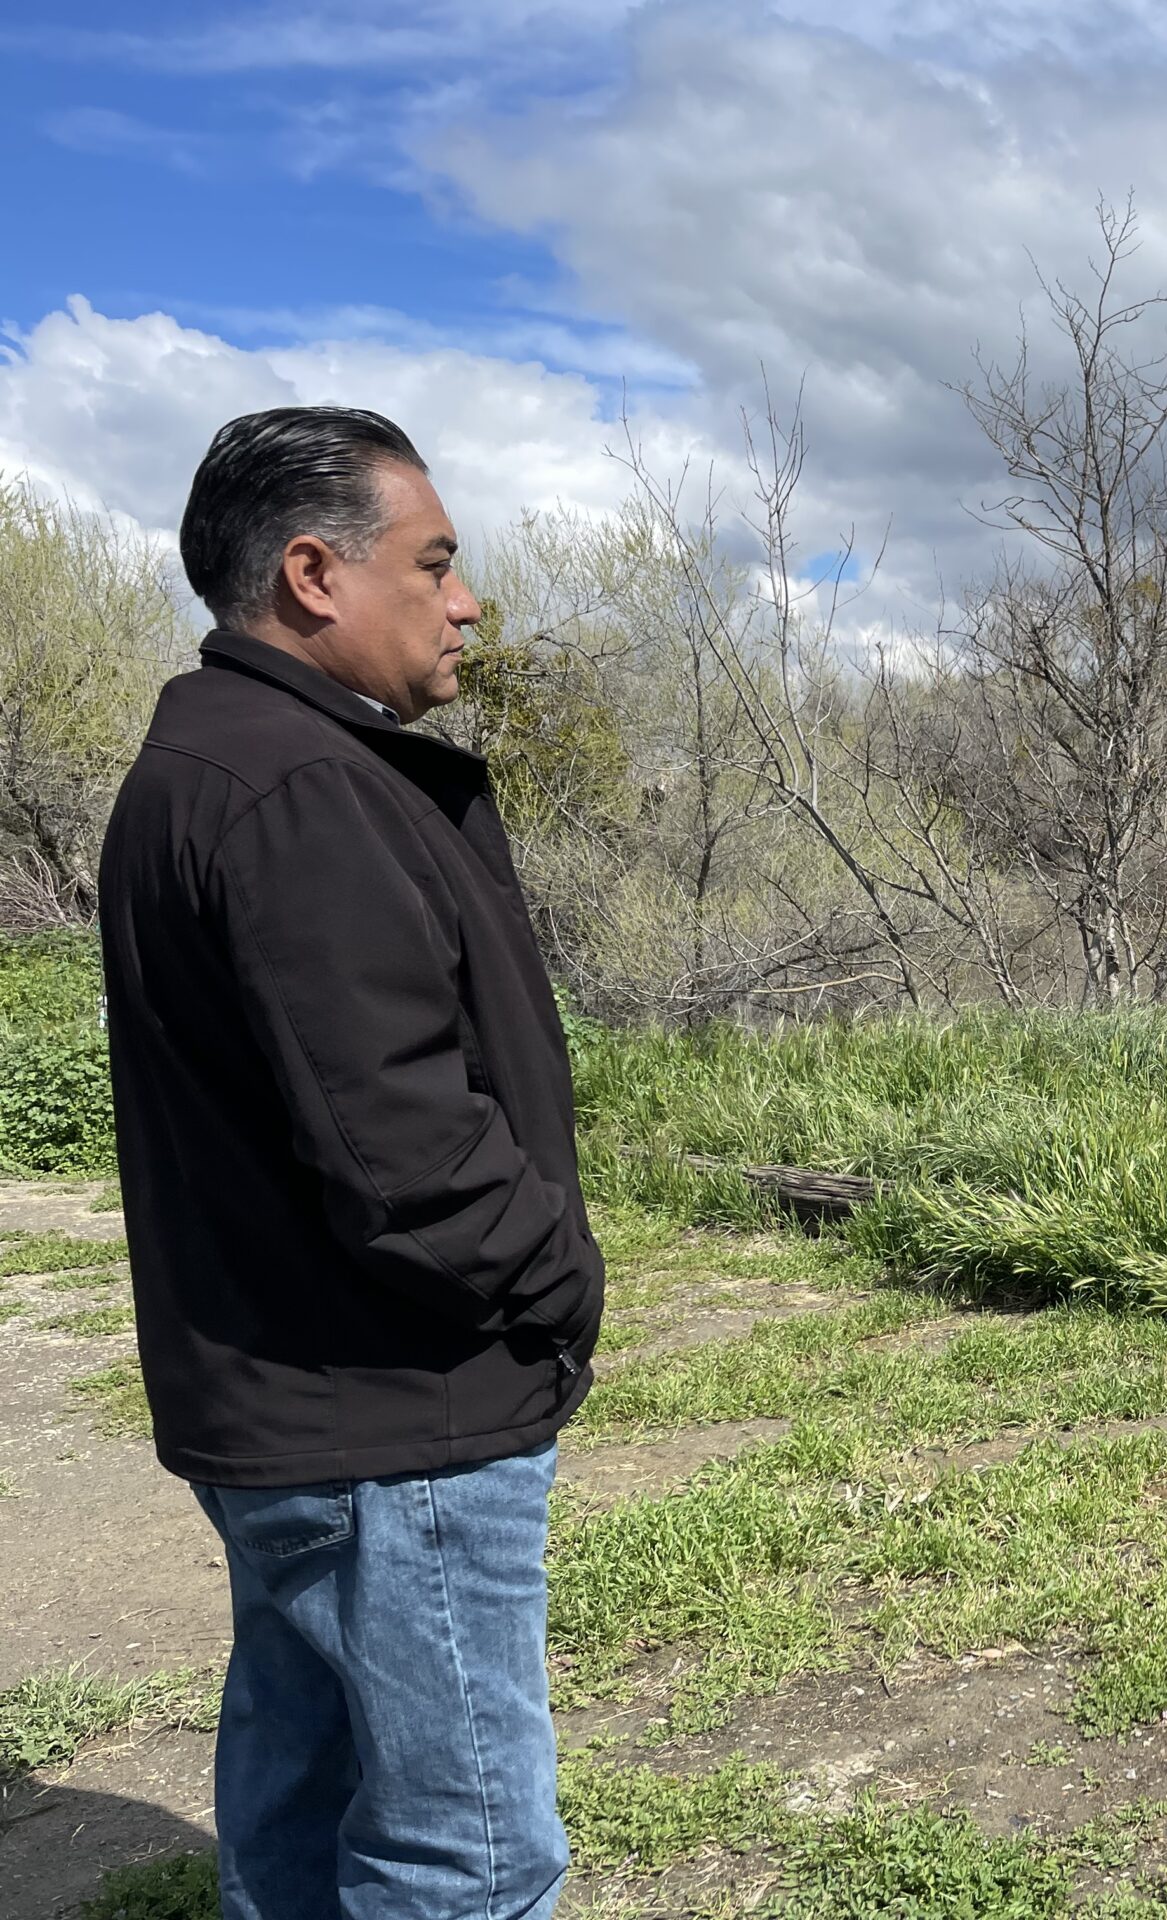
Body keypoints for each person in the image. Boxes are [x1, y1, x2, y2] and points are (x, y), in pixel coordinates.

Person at [97, 407, 604, 1920]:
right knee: (472, 1854)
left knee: (307, 1798)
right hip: (394, 1410)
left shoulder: (222, 757)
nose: (464, 602)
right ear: (314, 574)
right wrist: (554, 1276)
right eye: (436, 564)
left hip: (298, 1396)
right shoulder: (299, 790)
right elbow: (403, 1148)